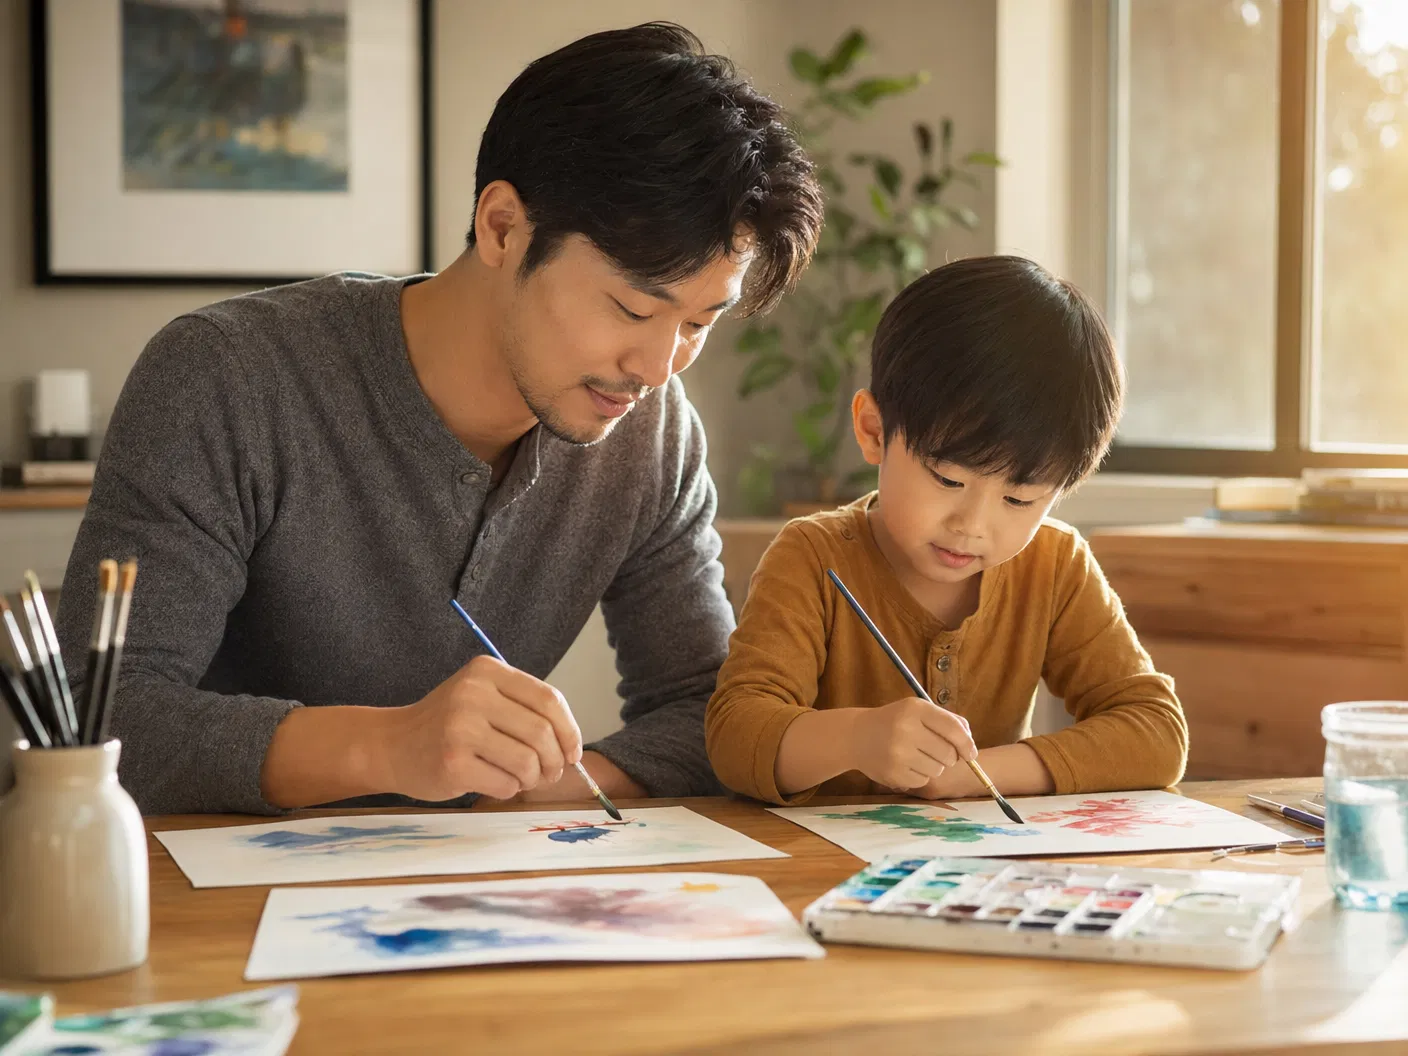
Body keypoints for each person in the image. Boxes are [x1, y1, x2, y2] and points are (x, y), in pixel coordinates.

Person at [56, 23, 823, 815]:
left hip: (473, 900)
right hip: (206, 909)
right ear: (501, 227)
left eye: (700, 323)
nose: (659, 368)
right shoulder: (228, 377)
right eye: (633, 307)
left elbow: (711, 713)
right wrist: (390, 749)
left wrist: (546, 789)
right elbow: (97, 719)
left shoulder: (653, 435)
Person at [705, 256, 1188, 805]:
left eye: (1019, 499)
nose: (973, 526)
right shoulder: (812, 558)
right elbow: (735, 738)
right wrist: (857, 740)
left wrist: (975, 773)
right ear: (874, 432)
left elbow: (1156, 732)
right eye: (947, 479)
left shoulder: (1056, 566)